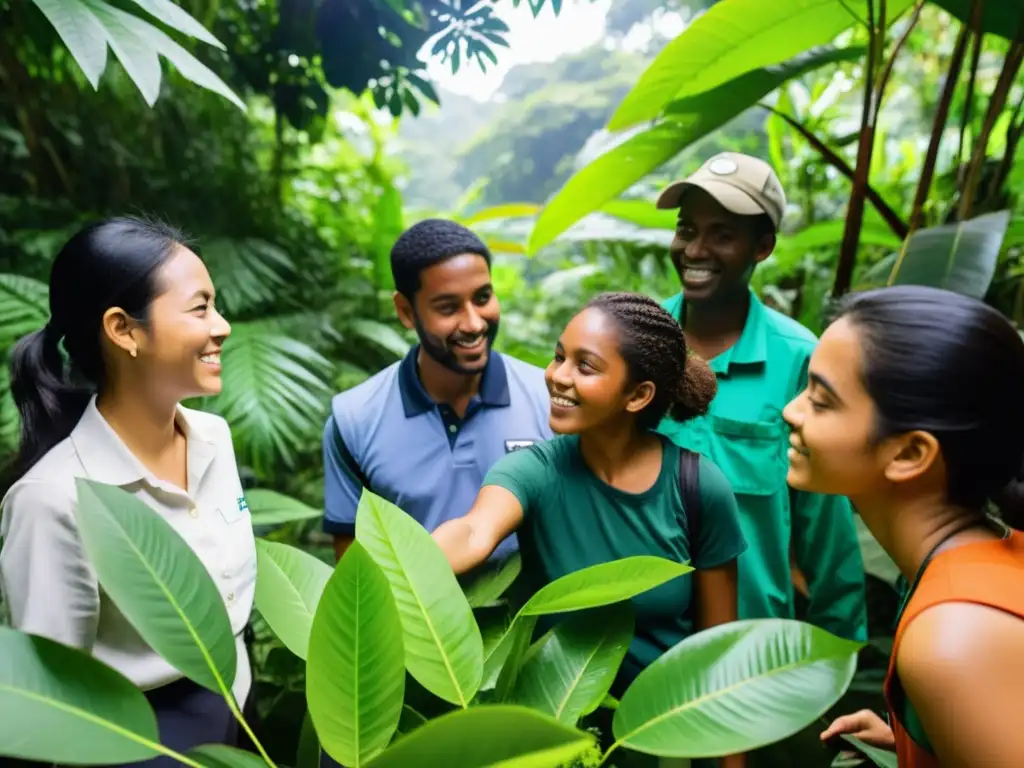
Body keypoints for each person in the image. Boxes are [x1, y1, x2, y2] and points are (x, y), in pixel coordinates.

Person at [431, 292, 748, 768]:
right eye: (559, 356)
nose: (556, 376)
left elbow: (719, 658)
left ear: (638, 395)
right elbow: (475, 532)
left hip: (666, 746)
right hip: (554, 746)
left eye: (585, 366)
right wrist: (400, 568)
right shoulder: (534, 471)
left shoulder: (698, 488)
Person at [0, 217, 256, 764]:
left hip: (237, 717)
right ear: (124, 330)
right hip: (137, 744)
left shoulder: (213, 438)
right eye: (200, 308)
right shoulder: (52, 499)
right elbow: (49, 698)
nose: (223, 326)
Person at [786, 286, 1024, 767]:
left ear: (910, 453)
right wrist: (921, 740)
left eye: (821, 400)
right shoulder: (985, 560)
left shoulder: (954, 639)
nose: (791, 411)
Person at [652, 152, 868, 642]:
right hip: (640, 650)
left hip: (753, 657)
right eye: (687, 229)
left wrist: (839, 657)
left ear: (762, 247)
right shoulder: (636, 344)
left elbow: (827, 531)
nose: (695, 249)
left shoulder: (799, 360)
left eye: (722, 235)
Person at [321, 218, 552, 565]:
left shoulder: (551, 400)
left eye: (483, 297)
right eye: (448, 307)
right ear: (406, 311)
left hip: (530, 617)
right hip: (418, 618)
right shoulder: (354, 420)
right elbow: (353, 566)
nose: (474, 323)